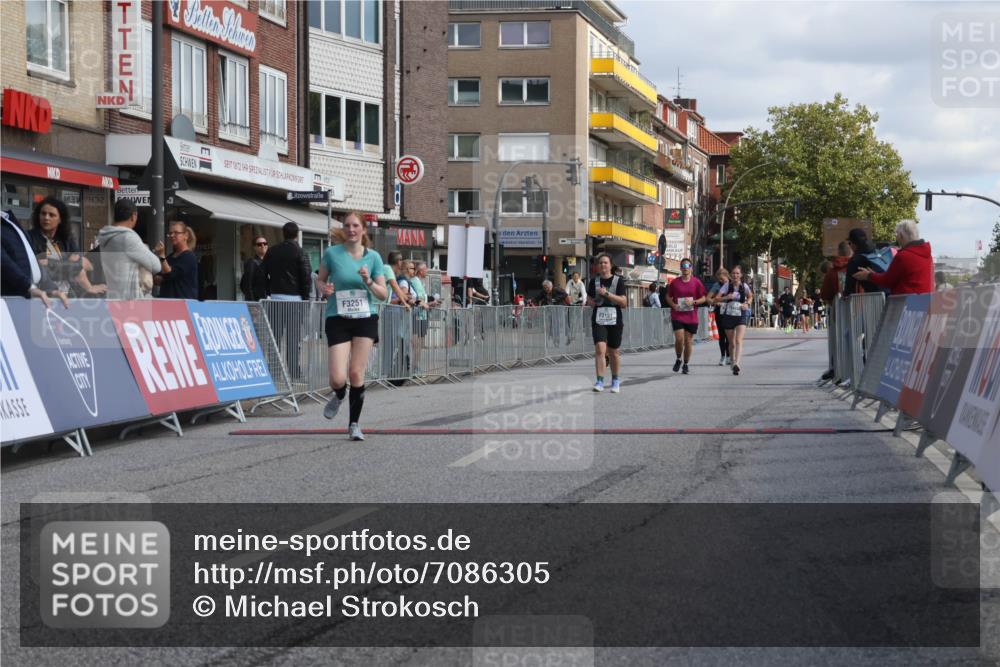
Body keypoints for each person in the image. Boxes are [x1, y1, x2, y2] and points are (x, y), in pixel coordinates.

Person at [316, 212, 389, 441]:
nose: (351, 229)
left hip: (365, 318)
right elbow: (320, 279)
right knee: (337, 378)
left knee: (356, 372)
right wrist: (323, 288)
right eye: (347, 225)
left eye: (355, 225)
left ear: (363, 230)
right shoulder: (331, 254)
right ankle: (339, 395)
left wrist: (368, 281)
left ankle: (354, 424)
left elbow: (383, 294)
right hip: (337, 317)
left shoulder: (374, 257)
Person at [262, 222, 312, 380]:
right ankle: (294, 372)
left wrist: (267, 292)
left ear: (283, 233)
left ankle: (274, 370)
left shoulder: (272, 251)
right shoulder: (300, 252)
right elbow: (306, 277)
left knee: (275, 336)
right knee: (293, 337)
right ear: (296, 234)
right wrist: (305, 297)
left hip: (275, 299)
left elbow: (262, 273)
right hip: (295, 300)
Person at [28, 196, 105, 297]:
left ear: (60, 219)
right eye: (43, 213)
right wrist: (69, 264)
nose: (46, 217)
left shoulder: (66, 239)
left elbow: (83, 264)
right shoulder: (29, 237)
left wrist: (52, 263)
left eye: (52, 215)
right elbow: (38, 268)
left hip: (68, 294)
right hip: (42, 295)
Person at [97, 199, 163, 300]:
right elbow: (156, 266)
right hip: (129, 300)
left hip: (111, 296)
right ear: (134, 215)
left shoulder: (105, 236)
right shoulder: (128, 237)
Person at [1, 210, 69, 307]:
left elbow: (32, 260)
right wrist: (29, 287)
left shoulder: (8, 219)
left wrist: (51, 289)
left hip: (31, 299)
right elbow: (4, 262)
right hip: (12, 303)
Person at [852, 220, 933, 295]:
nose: (896, 238)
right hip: (924, 303)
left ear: (901, 236)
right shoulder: (928, 256)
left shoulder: (903, 256)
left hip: (906, 304)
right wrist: (874, 275)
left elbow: (887, 281)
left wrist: (868, 276)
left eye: (897, 235)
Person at [587, 253, 627, 393]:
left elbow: (623, 303)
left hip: (615, 319)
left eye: (605, 262)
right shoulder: (593, 281)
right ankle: (599, 381)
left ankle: (615, 380)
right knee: (600, 349)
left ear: (610, 265)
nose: (602, 265)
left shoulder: (618, 281)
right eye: (600, 263)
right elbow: (590, 299)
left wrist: (606, 294)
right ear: (597, 267)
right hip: (599, 319)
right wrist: (590, 302)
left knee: (614, 352)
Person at [663, 257, 707, 375]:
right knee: (679, 338)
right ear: (680, 268)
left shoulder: (696, 282)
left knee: (688, 341)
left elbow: (704, 298)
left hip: (691, 316)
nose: (685, 268)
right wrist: (673, 305)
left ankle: (686, 364)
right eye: (683, 266)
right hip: (677, 315)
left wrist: (694, 302)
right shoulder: (675, 282)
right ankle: (678, 358)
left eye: (687, 266)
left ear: (691, 268)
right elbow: (668, 296)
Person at [715, 265, 752, 375]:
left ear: (741, 275)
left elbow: (750, 296)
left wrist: (747, 303)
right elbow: (716, 298)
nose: (735, 275)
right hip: (729, 315)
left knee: (738, 340)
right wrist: (726, 297)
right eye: (733, 273)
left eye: (737, 273)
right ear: (731, 275)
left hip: (741, 314)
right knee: (731, 343)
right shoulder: (727, 285)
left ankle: (737, 363)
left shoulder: (744, 286)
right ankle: (732, 361)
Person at [156, 221, 199, 299]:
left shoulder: (189, 256)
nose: (172, 235)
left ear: (185, 235)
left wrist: (162, 255)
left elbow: (170, 274)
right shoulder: (170, 257)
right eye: (170, 233)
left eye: (176, 233)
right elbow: (159, 278)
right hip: (168, 303)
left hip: (183, 304)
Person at [844, 228, 889, 295]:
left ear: (853, 244)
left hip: (875, 299)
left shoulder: (855, 260)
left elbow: (849, 288)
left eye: (849, 243)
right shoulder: (878, 252)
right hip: (893, 294)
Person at [707, 268, 731, 365]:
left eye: (722, 279)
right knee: (722, 336)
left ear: (727, 276)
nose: (721, 281)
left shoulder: (732, 285)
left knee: (729, 335)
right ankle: (723, 356)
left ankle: (729, 356)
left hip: (731, 312)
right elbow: (708, 298)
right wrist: (715, 302)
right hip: (720, 312)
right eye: (719, 279)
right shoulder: (716, 285)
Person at [240, 235, 269, 301]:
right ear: (254, 247)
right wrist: (253, 303)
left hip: (267, 300)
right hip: (256, 302)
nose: (263, 246)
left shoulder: (268, 262)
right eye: (259, 244)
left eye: (265, 243)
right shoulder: (252, 262)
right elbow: (247, 286)